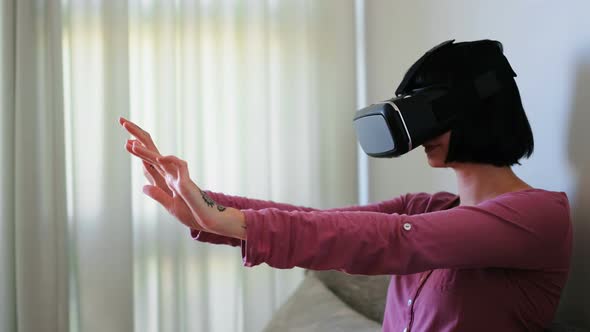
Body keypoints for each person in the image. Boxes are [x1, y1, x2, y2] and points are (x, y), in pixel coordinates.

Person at [119, 39, 572, 332]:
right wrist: (204, 203)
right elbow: (323, 224)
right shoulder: (428, 206)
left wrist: (224, 219)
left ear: (478, 111)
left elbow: (398, 243)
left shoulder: (537, 218)